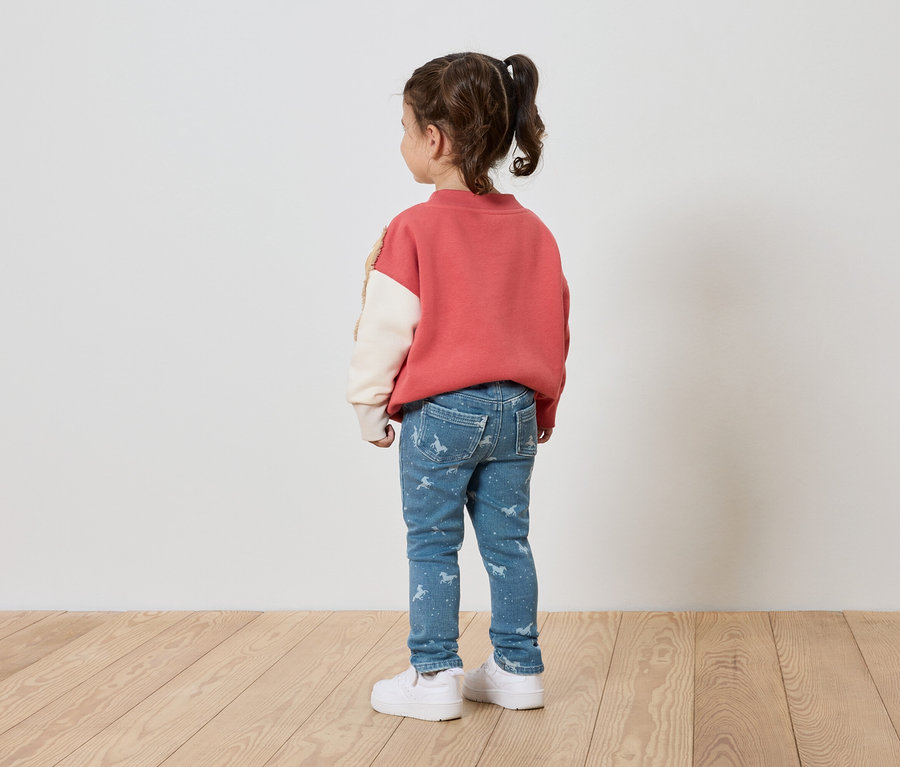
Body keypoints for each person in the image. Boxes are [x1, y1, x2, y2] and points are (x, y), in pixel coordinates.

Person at [347, 52, 569, 721]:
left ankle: (435, 670)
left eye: (408, 127)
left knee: (433, 543)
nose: (404, 142)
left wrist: (368, 405)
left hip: (442, 414)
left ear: (436, 140)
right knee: (509, 541)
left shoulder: (412, 229)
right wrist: (544, 408)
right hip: (515, 411)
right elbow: (553, 326)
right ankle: (518, 666)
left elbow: (385, 326)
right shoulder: (534, 232)